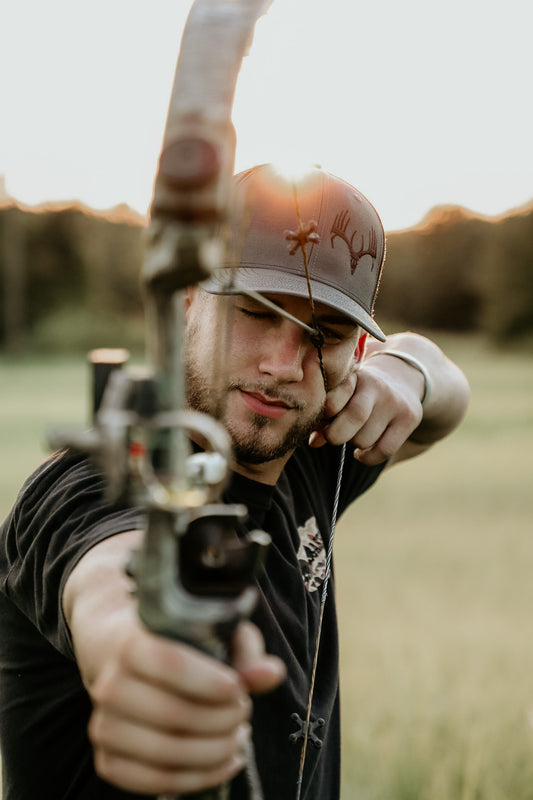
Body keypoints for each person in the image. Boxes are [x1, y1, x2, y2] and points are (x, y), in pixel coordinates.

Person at [0, 164, 470, 800]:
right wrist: (140, 654)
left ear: (355, 354)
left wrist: (408, 370)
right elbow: (112, 584)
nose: (282, 365)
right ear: (187, 300)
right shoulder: (91, 482)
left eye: (323, 335)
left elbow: (447, 389)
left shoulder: (311, 451)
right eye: (253, 313)